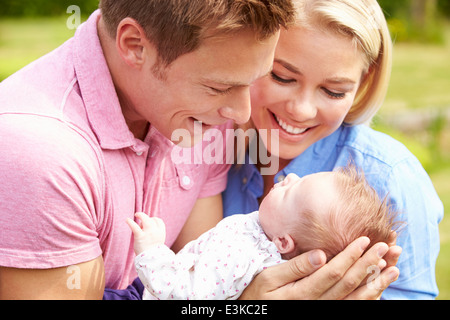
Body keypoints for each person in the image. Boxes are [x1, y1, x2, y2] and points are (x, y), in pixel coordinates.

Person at [0, 0, 295, 299]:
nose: (242, 113)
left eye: (255, 80)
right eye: (219, 87)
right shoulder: (41, 156)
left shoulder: (203, 113)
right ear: (134, 46)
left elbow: (201, 279)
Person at [223, 0, 443, 299]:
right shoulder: (213, 146)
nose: (301, 110)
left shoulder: (390, 176)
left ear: (362, 84)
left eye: (333, 91)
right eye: (282, 77)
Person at [128, 165, 400, 300]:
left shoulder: (241, 256)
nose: (289, 177)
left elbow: (182, 295)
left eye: (292, 190)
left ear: (283, 242)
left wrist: (152, 250)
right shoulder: (265, 231)